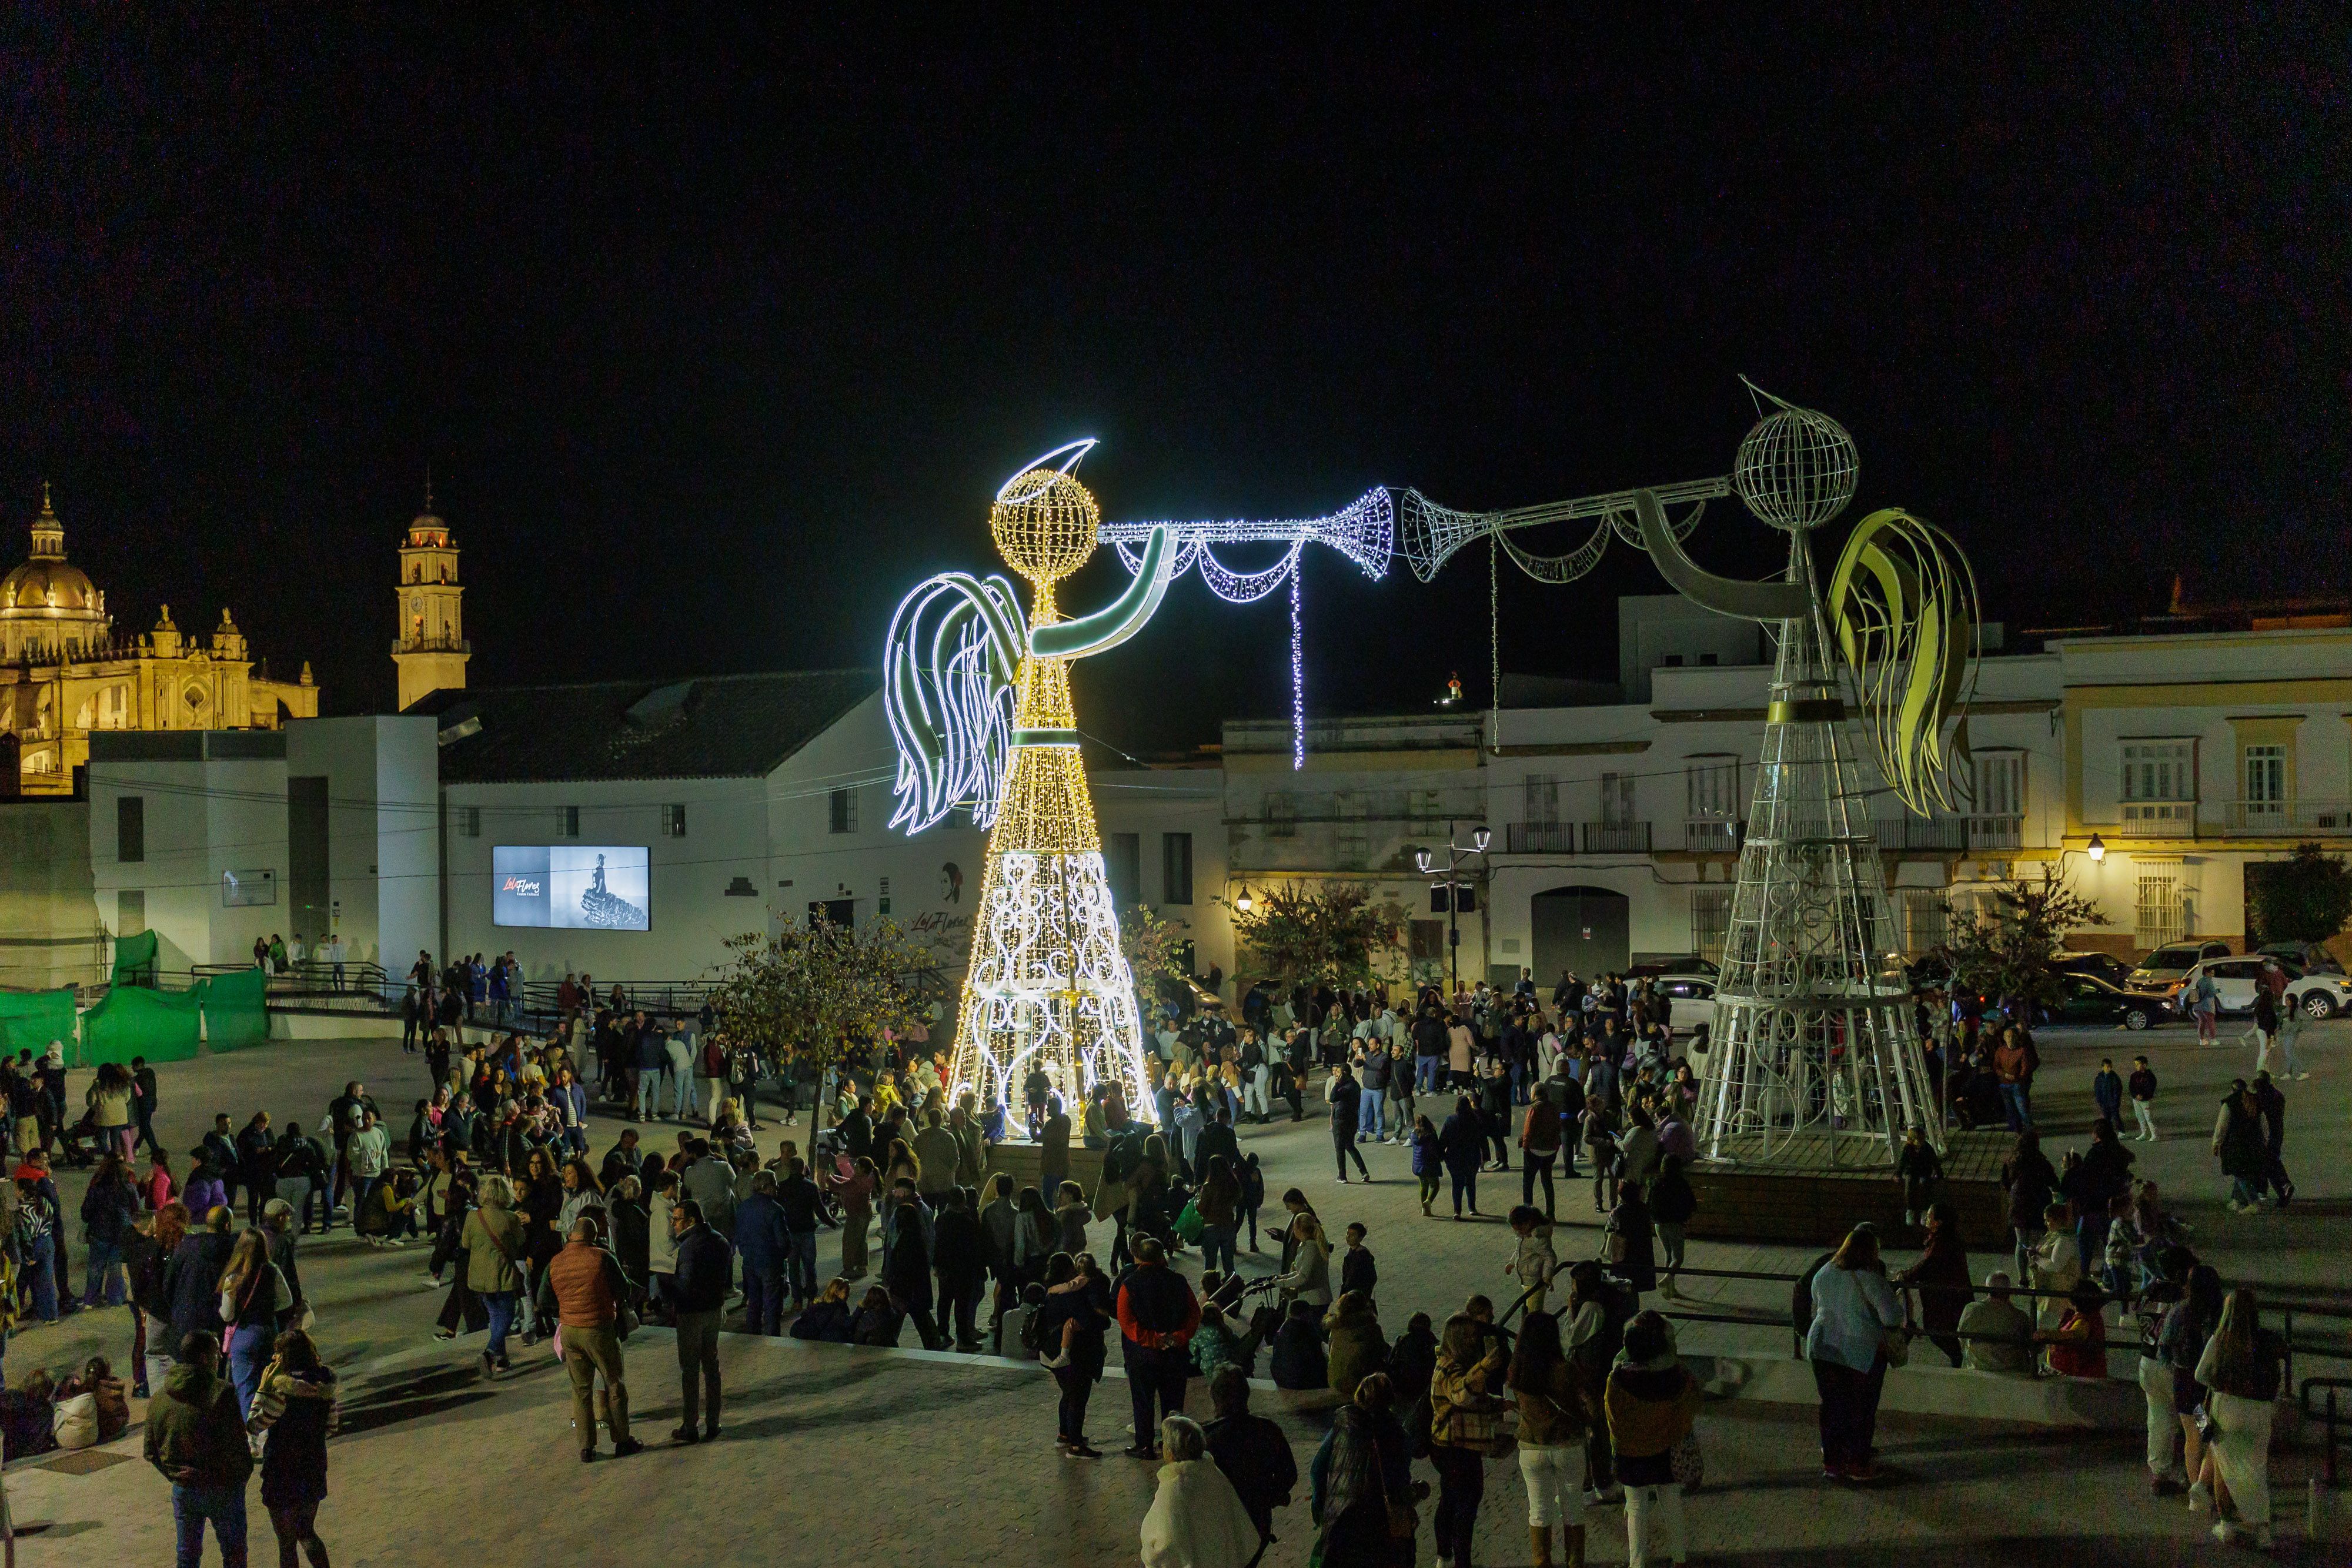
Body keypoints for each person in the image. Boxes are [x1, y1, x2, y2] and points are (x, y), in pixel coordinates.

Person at [1803, 1225, 1903, 1482]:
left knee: (1832, 1406)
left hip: (1822, 1346)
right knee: (1861, 1407)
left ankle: (1833, 1464)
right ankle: (1858, 1464)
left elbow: (1815, 1298)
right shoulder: (1871, 1280)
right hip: (1857, 1351)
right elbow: (1892, 1317)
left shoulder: (1825, 1272)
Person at [145, 1332, 254, 1566]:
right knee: (234, 1554)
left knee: (187, 1556)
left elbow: (151, 1452)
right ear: (205, 1358)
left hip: (184, 1490)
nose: (220, 1359)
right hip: (222, 1487)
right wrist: (238, 1480)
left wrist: (177, 1474)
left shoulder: (159, 1399)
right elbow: (239, 1446)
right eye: (217, 1354)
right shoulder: (220, 1394)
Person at [1605, 1310, 1700, 1568]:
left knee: (1635, 1507)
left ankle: (1637, 1563)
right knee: (1671, 1503)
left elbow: (1614, 1420)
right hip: (1668, 1451)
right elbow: (1688, 1412)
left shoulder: (1619, 1380)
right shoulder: (1679, 1377)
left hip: (1632, 1454)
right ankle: (1679, 1558)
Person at [2193, 1287, 2286, 1549]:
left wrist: (2220, 1382)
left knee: (2224, 1470)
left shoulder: (2220, 1340)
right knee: (2256, 1470)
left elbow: (2200, 1375)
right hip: (2260, 1411)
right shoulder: (2267, 1340)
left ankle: (2227, 1524)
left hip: (2228, 1409)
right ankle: (2263, 1531)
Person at [245, 1328, 338, 1567]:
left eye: (277, 1353)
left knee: (286, 1544)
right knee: (307, 1532)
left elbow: (255, 1424)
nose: (274, 1359)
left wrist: (262, 1389)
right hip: (313, 1466)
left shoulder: (281, 1391)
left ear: (285, 1356)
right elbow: (331, 1427)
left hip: (282, 1470)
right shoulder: (324, 1387)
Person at [1508, 1309, 1588, 1568]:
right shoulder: (1566, 1369)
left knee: (1539, 1511)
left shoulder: (1517, 1371)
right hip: (1567, 1444)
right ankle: (1575, 1562)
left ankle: (1541, 1562)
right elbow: (1588, 1405)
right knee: (1573, 1507)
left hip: (1532, 1447)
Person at [1311, 1372, 1416, 1568]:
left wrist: (1321, 1506)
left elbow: (1317, 1469)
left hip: (1340, 1518)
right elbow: (1398, 1484)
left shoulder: (1343, 1425)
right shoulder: (1399, 1435)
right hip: (1379, 1525)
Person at [1430, 1310, 1509, 1566]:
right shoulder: (1450, 1367)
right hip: (1457, 1445)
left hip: (1451, 1445)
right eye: (1472, 1336)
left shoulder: (1453, 1364)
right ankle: (1460, 1561)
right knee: (1466, 1504)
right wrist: (1484, 1367)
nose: (1476, 1341)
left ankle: (1444, 1556)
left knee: (1451, 1500)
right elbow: (1461, 1395)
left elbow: (1471, 1401)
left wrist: (1499, 1404)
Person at [1139, 1413, 1262, 1568]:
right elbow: (1243, 1534)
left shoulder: (1175, 1489)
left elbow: (1165, 1547)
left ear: (1171, 1450)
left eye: (1164, 1443)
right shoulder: (1214, 1475)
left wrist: (1148, 1556)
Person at [1117, 1235, 1201, 1460]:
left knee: (1143, 1400)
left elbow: (1126, 1320)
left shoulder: (1130, 1285)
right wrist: (1179, 1337)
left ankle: (1144, 1445)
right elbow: (1194, 1313)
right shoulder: (1179, 1281)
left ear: (1138, 1257)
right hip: (1175, 1353)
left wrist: (1152, 1339)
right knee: (1173, 1402)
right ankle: (1172, 1445)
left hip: (1142, 1355)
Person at [1202, 1364, 1297, 1559]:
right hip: (1258, 1520)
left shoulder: (1207, 1440)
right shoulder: (1268, 1430)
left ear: (1215, 1398)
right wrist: (1270, 1495)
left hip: (1220, 1525)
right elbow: (1289, 1474)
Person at [669, 1196, 731, 1442]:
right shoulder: (720, 1240)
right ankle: (713, 1422)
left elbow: (685, 1284)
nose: (673, 1225)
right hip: (714, 1310)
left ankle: (690, 1425)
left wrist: (671, 1292)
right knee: (712, 1366)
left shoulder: (689, 1247)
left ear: (691, 1221)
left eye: (677, 1220)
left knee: (691, 1370)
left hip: (692, 1314)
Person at [1037, 1252, 1110, 1456]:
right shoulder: (1072, 1294)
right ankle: (1076, 1445)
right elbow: (1091, 1320)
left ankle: (1065, 1435)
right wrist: (1104, 1318)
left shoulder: (1052, 1291)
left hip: (1050, 1351)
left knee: (1068, 1394)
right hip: (1073, 1356)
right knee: (1077, 1396)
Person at [460, 1174, 527, 1378]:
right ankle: (490, 1352)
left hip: (479, 1276)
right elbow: (521, 1241)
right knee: (507, 1316)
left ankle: (502, 1359)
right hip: (502, 1274)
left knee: (495, 1316)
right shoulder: (511, 1218)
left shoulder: (473, 1216)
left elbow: (466, 1244)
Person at [1893, 1201, 1972, 1368]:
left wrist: (1905, 1275)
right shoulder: (1944, 1239)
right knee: (1940, 1333)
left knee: (1939, 1333)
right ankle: (1957, 1360)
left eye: (1930, 1216)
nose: (1926, 1219)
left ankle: (1958, 1361)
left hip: (1946, 1299)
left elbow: (1927, 1266)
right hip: (1948, 1298)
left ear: (1939, 1222)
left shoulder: (1942, 1242)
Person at [1956, 1271, 2035, 1375]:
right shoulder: (2020, 1317)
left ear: (1987, 1290)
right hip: (2014, 1372)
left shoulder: (1971, 1310)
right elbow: (2033, 1346)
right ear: (2009, 1292)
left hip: (1977, 1369)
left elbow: (1961, 1338)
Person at [1438, 1094, 1485, 1219]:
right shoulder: (1475, 1120)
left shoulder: (1450, 1120)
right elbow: (1481, 1139)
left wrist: (1441, 1154)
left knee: (1457, 1184)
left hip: (1454, 1157)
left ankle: (1457, 1211)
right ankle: (1472, 1208)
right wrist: (1483, 1157)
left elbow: (1443, 1139)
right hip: (1472, 1156)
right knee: (1471, 1182)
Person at [1329, 1064, 1369, 1182]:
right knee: (1350, 1146)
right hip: (1351, 1121)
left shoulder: (1347, 1087)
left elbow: (1333, 1097)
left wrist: (1337, 1084)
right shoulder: (1355, 1085)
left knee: (1340, 1149)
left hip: (1342, 1121)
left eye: (1339, 1073)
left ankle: (1342, 1176)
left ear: (1344, 1074)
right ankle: (1364, 1172)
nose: (1336, 1075)